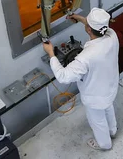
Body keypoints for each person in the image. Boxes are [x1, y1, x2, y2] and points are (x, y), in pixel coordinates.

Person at [42, 8, 119, 151]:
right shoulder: (112, 36)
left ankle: (105, 144)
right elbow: (99, 27)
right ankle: (113, 131)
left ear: (89, 29)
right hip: (110, 87)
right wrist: (79, 18)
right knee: (108, 107)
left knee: (98, 121)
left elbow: (63, 76)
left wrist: (51, 53)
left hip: (95, 97)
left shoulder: (85, 57)